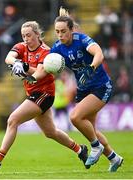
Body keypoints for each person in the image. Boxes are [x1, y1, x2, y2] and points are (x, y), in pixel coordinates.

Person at [0, 21, 89, 171]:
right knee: (50, 132)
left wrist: (24, 67)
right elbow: (8, 58)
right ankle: (80, 150)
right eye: (23, 35)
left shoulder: (46, 52)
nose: (25, 38)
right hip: (34, 94)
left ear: (37, 34)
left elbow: (39, 73)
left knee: (13, 120)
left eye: (29, 35)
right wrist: (17, 62)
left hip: (44, 94)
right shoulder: (21, 46)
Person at [50, 7, 123, 172]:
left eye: (63, 31)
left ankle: (96, 147)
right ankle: (114, 158)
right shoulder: (57, 48)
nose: (60, 35)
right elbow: (44, 67)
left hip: (100, 86)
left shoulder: (82, 40)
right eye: (57, 32)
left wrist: (91, 67)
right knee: (92, 129)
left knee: (75, 117)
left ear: (71, 29)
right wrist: (30, 72)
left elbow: (99, 53)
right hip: (83, 90)